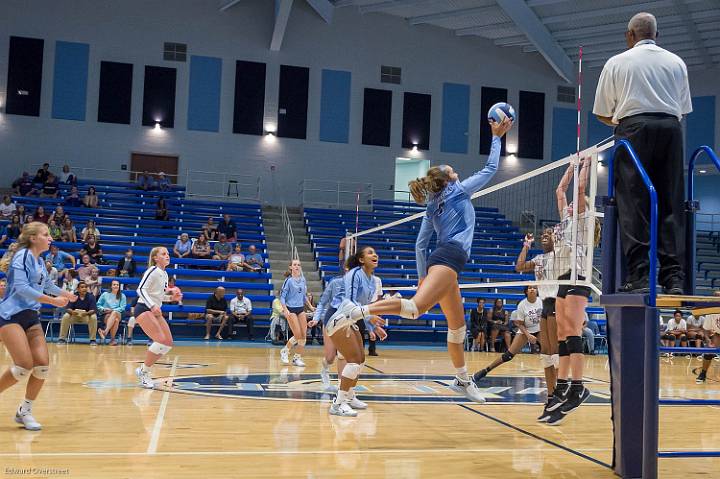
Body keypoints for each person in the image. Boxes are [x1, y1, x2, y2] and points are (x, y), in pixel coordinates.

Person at [329, 117, 512, 405]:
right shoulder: (459, 190)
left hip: (444, 261)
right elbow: (490, 168)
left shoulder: (432, 204)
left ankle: (462, 380)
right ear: (449, 178)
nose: (456, 171)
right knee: (414, 309)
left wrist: (421, 276)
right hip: (449, 257)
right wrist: (496, 136)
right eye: (453, 170)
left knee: (458, 328)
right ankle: (354, 312)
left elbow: (419, 244)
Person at [593, 12, 692, 295]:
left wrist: (625, 123)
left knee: (633, 203)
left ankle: (639, 276)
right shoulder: (676, 62)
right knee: (671, 202)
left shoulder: (617, 62)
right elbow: (682, 109)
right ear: (656, 36)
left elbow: (602, 113)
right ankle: (674, 278)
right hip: (671, 130)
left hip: (633, 131)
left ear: (629, 36)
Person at [0, 222, 75, 430]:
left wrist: (66, 294)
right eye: (46, 234)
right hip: (11, 315)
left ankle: (24, 411)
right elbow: (22, 288)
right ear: (33, 238)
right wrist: (52, 301)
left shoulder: (40, 261)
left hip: (31, 316)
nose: (50, 238)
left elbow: (47, 285)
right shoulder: (22, 256)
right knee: (23, 365)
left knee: (41, 366)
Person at [544, 159, 594, 426]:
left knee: (573, 331)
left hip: (579, 276)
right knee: (563, 333)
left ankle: (578, 386)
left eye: (577, 203)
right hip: (564, 277)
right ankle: (562, 385)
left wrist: (586, 163)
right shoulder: (565, 218)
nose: (571, 204)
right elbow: (560, 191)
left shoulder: (583, 218)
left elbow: (579, 189)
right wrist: (570, 167)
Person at [325, 247, 388, 416]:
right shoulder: (354, 274)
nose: (374, 254)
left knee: (360, 360)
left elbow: (362, 308)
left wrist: (373, 326)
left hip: (351, 318)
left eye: (375, 252)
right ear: (361, 260)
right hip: (338, 317)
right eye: (369, 253)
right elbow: (350, 303)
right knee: (352, 360)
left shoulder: (372, 279)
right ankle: (338, 404)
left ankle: (350, 395)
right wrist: (370, 318)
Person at [514, 227, 560, 422]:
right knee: (546, 355)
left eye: (547, 235)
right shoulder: (540, 259)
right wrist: (526, 245)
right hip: (546, 306)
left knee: (556, 355)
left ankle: (560, 396)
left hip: (559, 303)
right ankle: (550, 399)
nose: (544, 237)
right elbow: (519, 266)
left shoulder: (560, 256)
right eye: (542, 235)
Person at [133, 246, 181, 388]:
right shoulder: (152, 271)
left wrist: (171, 297)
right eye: (163, 254)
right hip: (143, 308)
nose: (167, 255)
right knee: (160, 340)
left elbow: (158, 296)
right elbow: (140, 289)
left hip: (155, 309)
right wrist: (153, 306)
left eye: (168, 253)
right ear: (155, 258)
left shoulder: (165, 274)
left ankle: (143, 370)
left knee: (168, 342)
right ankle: (144, 372)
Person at [474, 285, 544, 378]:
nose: (532, 289)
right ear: (526, 291)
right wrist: (528, 336)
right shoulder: (522, 305)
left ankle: (557, 378)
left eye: (534, 288)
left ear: (537, 291)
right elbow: (520, 324)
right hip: (525, 330)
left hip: (540, 330)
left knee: (551, 352)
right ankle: (485, 370)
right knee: (508, 355)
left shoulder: (541, 302)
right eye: (530, 288)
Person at [310, 271, 346, 389]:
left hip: (346, 322)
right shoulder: (335, 282)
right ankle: (324, 369)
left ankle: (343, 388)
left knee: (343, 355)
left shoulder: (359, 285)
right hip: (330, 321)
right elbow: (322, 303)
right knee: (330, 357)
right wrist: (316, 319)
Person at [279, 259, 311, 367]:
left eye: (299, 265)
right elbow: (282, 297)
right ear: (291, 267)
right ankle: (285, 350)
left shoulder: (303, 279)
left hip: (300, 308)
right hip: (290, 309)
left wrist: (310, 306)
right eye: (295, 265)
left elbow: (303, 295)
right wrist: (285, 309)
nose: (297, 266)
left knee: (303, 336)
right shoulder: (288, 281)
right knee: (297, 335)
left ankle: (297, 358)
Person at [97, 280, 127, 346]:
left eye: (117, 285)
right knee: (115, 320)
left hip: (119, 313)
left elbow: (122, 308)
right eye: (114, 284)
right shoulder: (105, 294)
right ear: (111, 286)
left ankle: (105, 332)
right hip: (106, 314)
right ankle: (112, 340)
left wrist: (112, 310)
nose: (116, 286)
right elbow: (98, 305)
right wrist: (104, 309)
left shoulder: (122, 296)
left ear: (119, 286)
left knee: (115, 312)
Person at [696, 312, 720, 384]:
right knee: (709, 351)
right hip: (718, 334)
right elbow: (706, 329)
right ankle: (703, 373)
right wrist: (707, 339)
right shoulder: (711, 311)